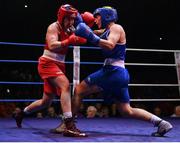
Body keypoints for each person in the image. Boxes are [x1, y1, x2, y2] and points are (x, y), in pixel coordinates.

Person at [73, 6, 173, 137]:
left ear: (105, 16)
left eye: (97, 17)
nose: (95, 20)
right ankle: (161, 123)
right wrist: (77, 26)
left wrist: (90, 35)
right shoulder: (107, 30)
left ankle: (69, 124)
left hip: (112, 71)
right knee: (126, 110)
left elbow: (110, 44)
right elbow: (91, 34)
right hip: (119, 74)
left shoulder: (116, 28)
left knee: (79, 90)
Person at [13, 4, 87, 137]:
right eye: (68, 19)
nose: (71, 22)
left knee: (45, 102)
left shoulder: (70, 28)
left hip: (59, 64)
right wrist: (68, 41)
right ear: (62, 17)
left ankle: (21, 113)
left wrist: (88, 31)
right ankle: (69, 126)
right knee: (65, 84)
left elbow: (84, 39)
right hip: (48, 63)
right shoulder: (53, 27)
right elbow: (52, 45)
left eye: (72, 19)